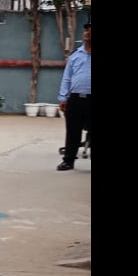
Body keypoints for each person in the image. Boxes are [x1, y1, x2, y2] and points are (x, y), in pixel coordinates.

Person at [57, 22, 92, 171]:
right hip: (76, 99)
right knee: (72, 130)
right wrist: (63, 98)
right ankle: (68, 160)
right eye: (86, 30)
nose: (87, 33)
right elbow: (67, 78)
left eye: (90, 31)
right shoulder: (75, 56)